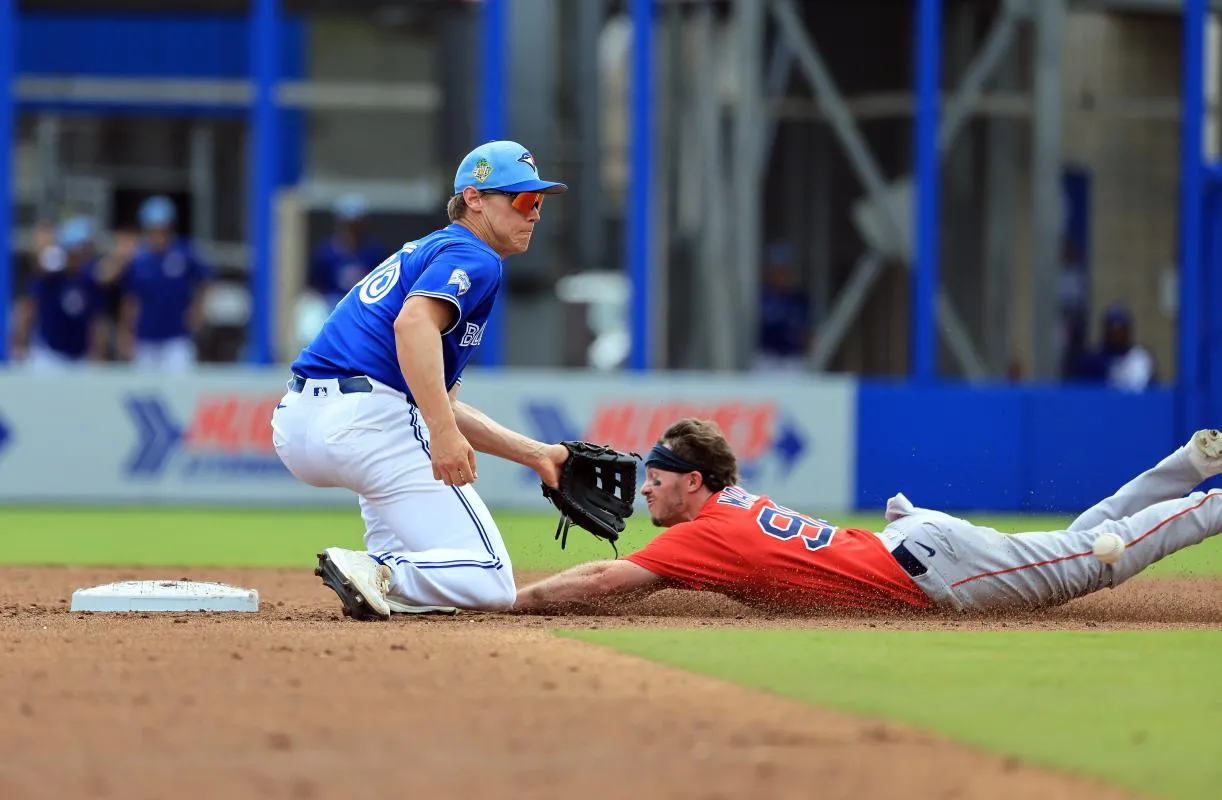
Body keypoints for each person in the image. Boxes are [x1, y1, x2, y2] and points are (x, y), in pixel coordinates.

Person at [272, 140, 572, 620]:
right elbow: (412, 326)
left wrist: (538, 456)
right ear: (474, 199)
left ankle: (381, 579)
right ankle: (377, 571)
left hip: (304, 424)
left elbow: (436, 397)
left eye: (537, 202)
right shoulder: (475, 254)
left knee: (428, 575)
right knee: (489, 579)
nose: (534, 213)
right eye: (521, 200)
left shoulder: (432, 250)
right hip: (367, 420)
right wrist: (441, 432)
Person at [513, 418, 1222, 616]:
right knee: (1075, 545)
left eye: (657, 481)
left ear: (694, 482)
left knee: (1096, 557)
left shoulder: (708, 534)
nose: (644, 492)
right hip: (913, 543)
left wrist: (515, 599)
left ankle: (1207, 498)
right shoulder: (731, 500)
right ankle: (1187, 467)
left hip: (938, 571)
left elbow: (608, 579)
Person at [118, 195, 212, 372]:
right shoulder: (139, 260)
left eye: (162, 228)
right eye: (153, 228)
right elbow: (130, 300)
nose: (157, 234)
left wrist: (198, 310)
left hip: (178, 339)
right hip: (145, 339)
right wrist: (126, 332)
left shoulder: (185, 253)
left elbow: (206, 280)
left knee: (181, 387)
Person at [10, 216, 107, 370]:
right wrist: (19, 344)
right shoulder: (50, 275)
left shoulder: (89, 279)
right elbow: (27, 309)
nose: (87, 252)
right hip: (49, 356)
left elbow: (96, 320)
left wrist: (98, 354)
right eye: (83, 247)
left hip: (80, 358)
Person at [308, 193, 386, 310]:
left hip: (364, 306)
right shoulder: (325, 252)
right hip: (330, 305)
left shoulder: (374, 252)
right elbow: (314, 287)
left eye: (357, 224)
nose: (352, 229)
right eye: (348, 224)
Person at [1074, 304, 1155, 392]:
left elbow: (1152, 390)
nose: (1117, 336)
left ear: (1128, 331)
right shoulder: (1092, 362)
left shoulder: (1140, 358)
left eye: (1120, 330)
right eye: (1113, 330)